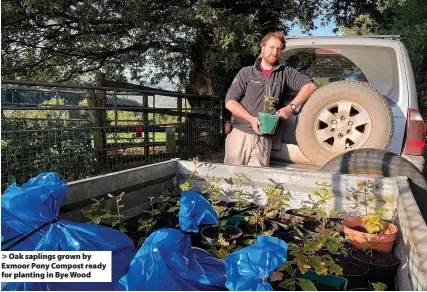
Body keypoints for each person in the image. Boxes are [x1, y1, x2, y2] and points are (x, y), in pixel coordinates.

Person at [224, 31, 317, 167]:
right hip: (241, 133)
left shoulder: (285, 73)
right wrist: (251, 119)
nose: (275, 52)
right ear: (263, 47)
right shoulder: (246, 72)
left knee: (257, 182)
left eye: (279, 49)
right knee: (230, 178)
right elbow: (230, 102)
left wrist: (290, 107)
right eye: (272, 47)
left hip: (265, 137)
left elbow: (310, 86)